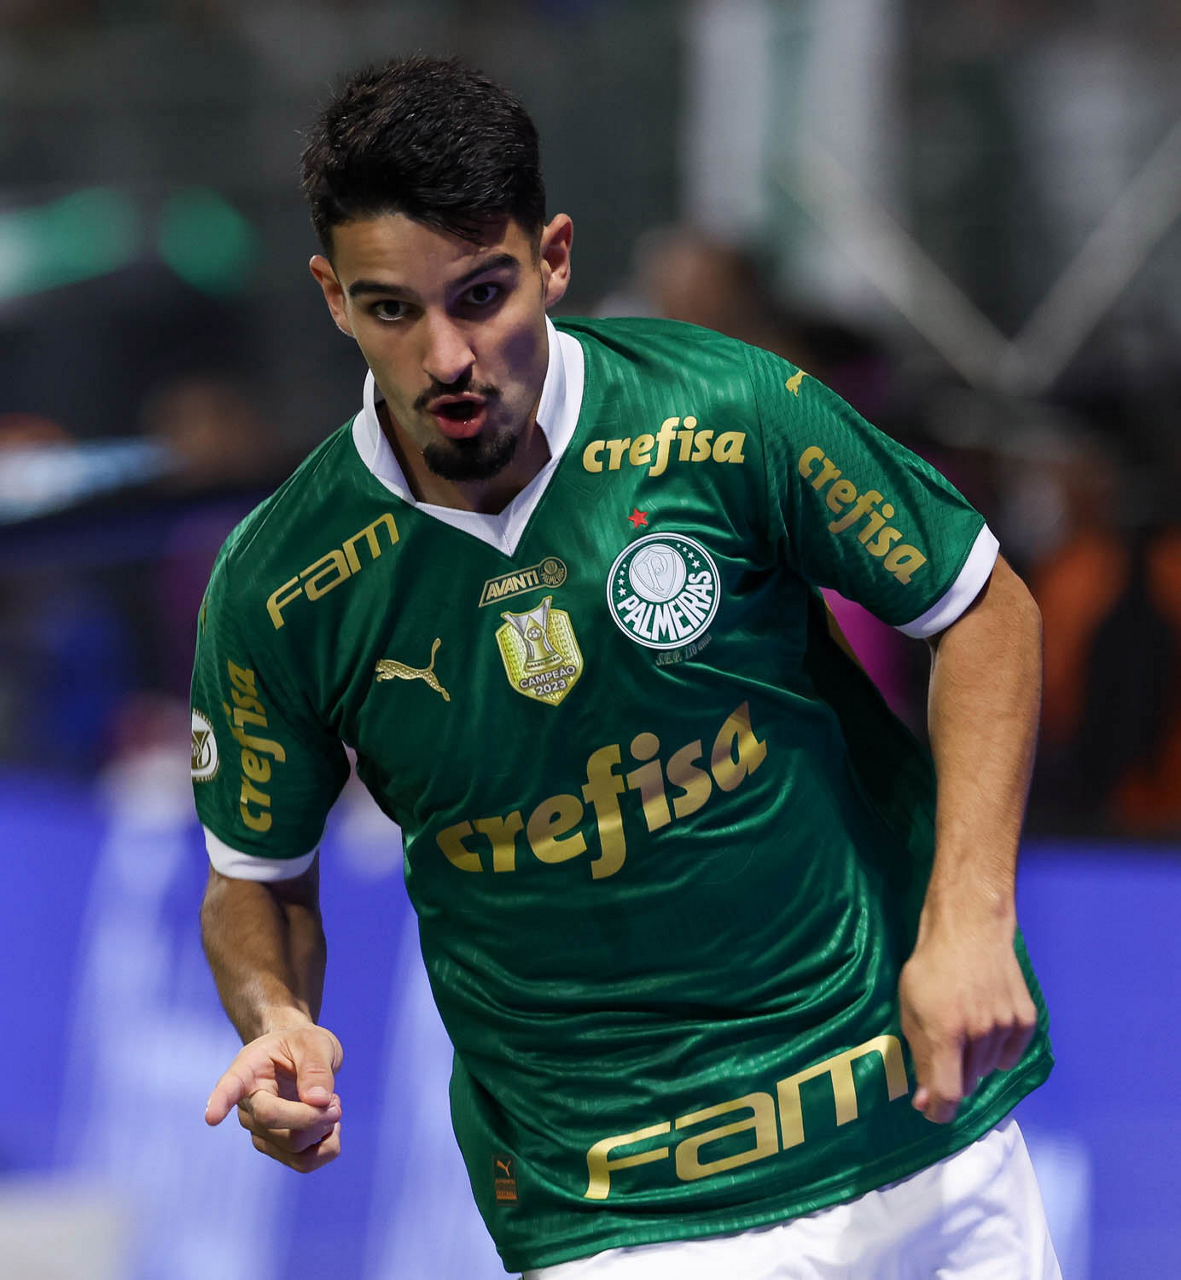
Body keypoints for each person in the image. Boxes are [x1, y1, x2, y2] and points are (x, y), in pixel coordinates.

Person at [194, 55, 1058, 1278]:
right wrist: (278, 1016)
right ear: (333, 297)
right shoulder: (281, 583)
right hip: (610, 1207)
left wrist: (968, 919)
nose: (447, 356)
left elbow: (978, 606)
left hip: (908, 1127)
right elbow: (256, 878)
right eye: (392, 309)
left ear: (551, 258)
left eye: (481, 294)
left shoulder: (727, 413)